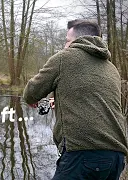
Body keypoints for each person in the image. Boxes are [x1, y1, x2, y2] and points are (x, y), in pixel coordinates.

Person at [23, 19, 128, 179]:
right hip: (116, 158)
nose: (65, 46)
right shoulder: (111, 68)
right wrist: (59, 101)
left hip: (83, 154)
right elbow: (96, 101)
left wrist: (31, 99)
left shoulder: (64, 58)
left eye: (67, 41)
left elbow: (31, 92)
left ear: (79, 40)